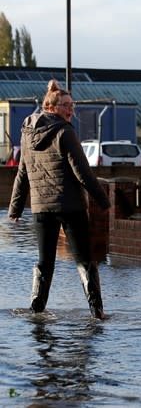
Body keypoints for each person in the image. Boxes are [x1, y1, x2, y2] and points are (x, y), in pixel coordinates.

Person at [8, 80, 111, 319]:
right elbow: (82, 172)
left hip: (41, 207)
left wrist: (15, 208)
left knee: (45, 262)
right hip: (71, 205)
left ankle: (36, 311)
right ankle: (97, 313)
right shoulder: (65, 132)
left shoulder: (27, 134)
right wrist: (104, 202)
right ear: (51, 107)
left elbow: (23, 173)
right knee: (84, 260)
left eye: (72, 105)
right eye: (66, 105)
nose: (71, 110)